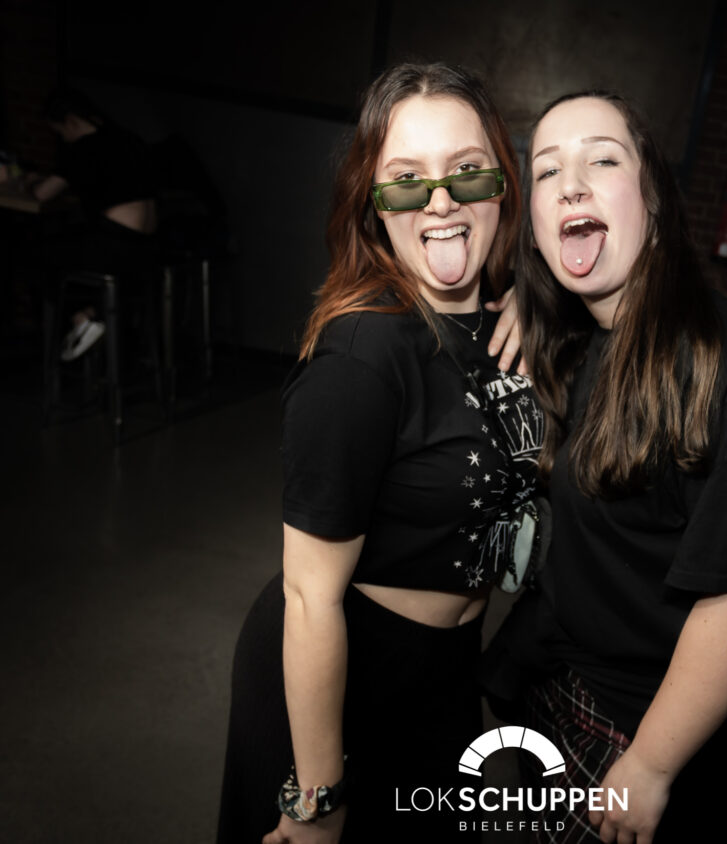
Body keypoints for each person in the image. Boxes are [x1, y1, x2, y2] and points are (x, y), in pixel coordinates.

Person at [216, 63, 540, 844]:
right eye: (406, 180)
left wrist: (538, 300)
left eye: (467, 171)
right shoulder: (363, 353)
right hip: (343, 682)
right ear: (374, 202)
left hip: (449, 673)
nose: (440, 200)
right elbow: (309, 596)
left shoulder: (507, 324)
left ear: (503, 183)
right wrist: (317, 798)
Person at [482, 92, 727, 842]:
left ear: (654, 201)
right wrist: (530, 303)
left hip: (640, 727)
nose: (570, 183)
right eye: (547, 170)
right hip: (555, 681)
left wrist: (653, 764)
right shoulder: (580, 334)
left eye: (602, 160)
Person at [28, 88, 160, 360]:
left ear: (70, 122)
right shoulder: (128, 139)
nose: (63, 138)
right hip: (148, 245)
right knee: (75, 251)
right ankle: (90, 315)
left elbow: (42, 194)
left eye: (60, 132)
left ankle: (77, 323)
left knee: (39, 254)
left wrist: (27, 182)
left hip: (116, 243)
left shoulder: (83, 148)